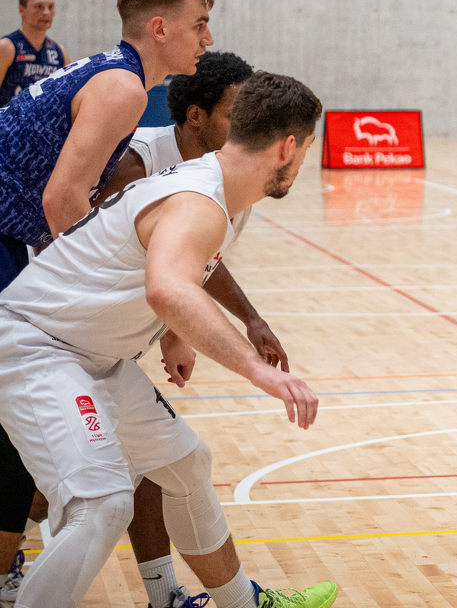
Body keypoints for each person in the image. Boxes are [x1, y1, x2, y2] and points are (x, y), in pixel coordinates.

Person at [0, 71, 334, 608]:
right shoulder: (198, 199)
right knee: (102, 502)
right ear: (287, 147)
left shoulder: (213, 188)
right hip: (37, 346)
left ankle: (243, 605)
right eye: (308, 148)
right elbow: (168, 288)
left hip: (95, 354)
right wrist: (256, 369)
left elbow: (176, 272)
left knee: (187, 465)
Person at [0, 0, 215, 590]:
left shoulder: (107, 71)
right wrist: (93, 287)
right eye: (199, 24)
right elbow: (63, 199)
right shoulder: (123, 88)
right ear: (160, 28)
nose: (207, 38)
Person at [76, 52, 288, 608]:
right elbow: (86, 242)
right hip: (72, 338)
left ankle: (168, 596)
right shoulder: (141, 160)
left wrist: (245, 318)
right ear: (197, 116)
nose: (246, 127)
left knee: (159, 465)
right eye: (235, 114)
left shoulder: (227, 174)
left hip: (115, 343)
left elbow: (196, 259)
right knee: (90, 492)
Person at [0, 0, 70, 108]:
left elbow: (66, 98)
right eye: (39, 7)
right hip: (9, 119)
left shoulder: (60, 52)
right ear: (22, 10)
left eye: (51, 7)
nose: (46, 12)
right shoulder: (7, 47)